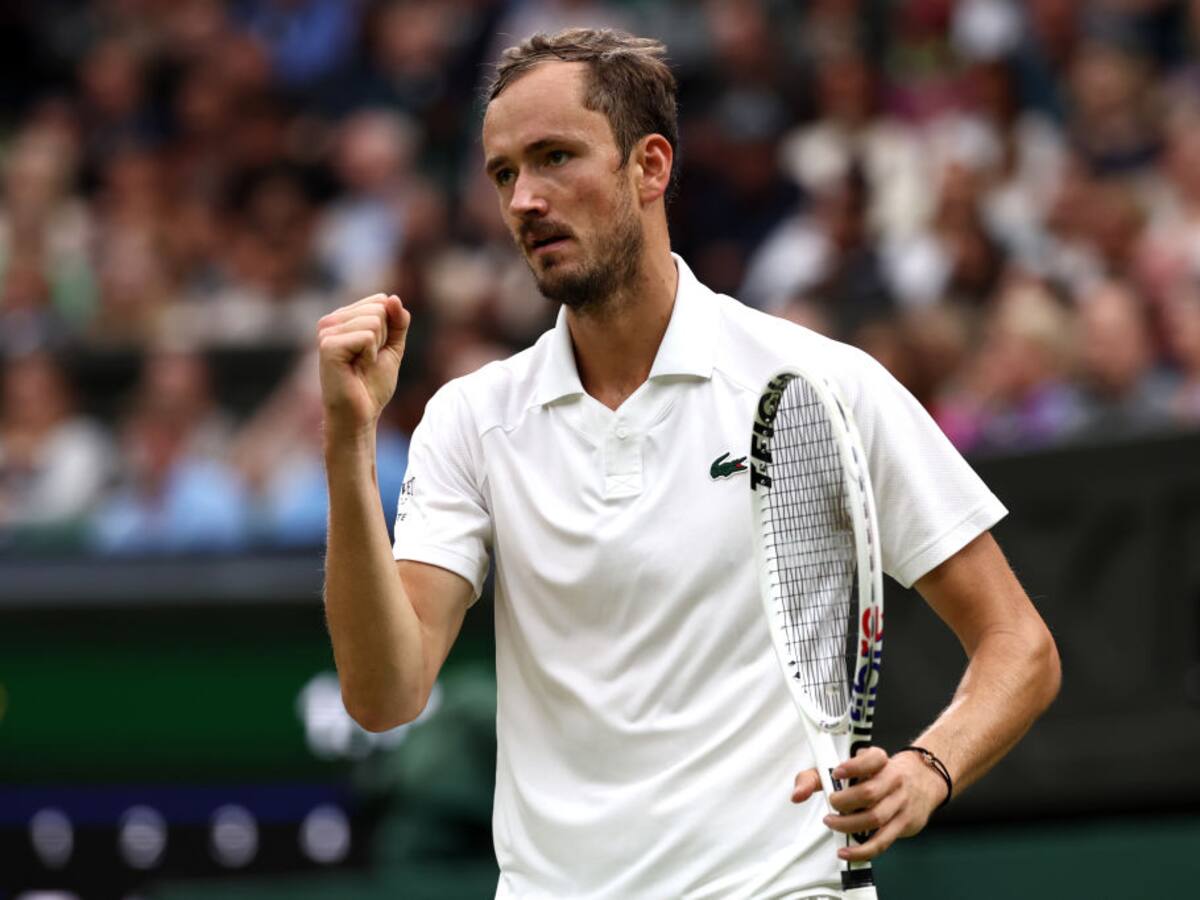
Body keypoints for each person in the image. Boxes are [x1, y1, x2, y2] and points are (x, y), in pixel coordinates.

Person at [318, 29, 1060, 899]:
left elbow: (1020, 646)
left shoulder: (823, 382)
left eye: (555, 157)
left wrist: (929, 768)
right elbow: (384, 695)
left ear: (651, 166)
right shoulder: (470, 419)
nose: (524, 199)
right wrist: (349, 441)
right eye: (505, 173)